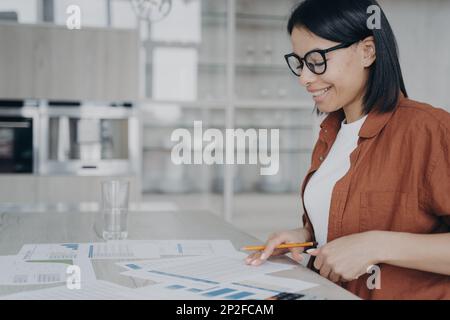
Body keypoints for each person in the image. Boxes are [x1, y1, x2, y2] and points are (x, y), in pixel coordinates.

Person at [245, 0, 450, 300]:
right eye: (300, 63)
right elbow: (351, 219)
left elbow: (370, 236)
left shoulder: (430, 130)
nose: (304, 78)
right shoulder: (332, 132)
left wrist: (375, 245)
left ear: (367, 51)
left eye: (316, 60)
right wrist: (304, 237)